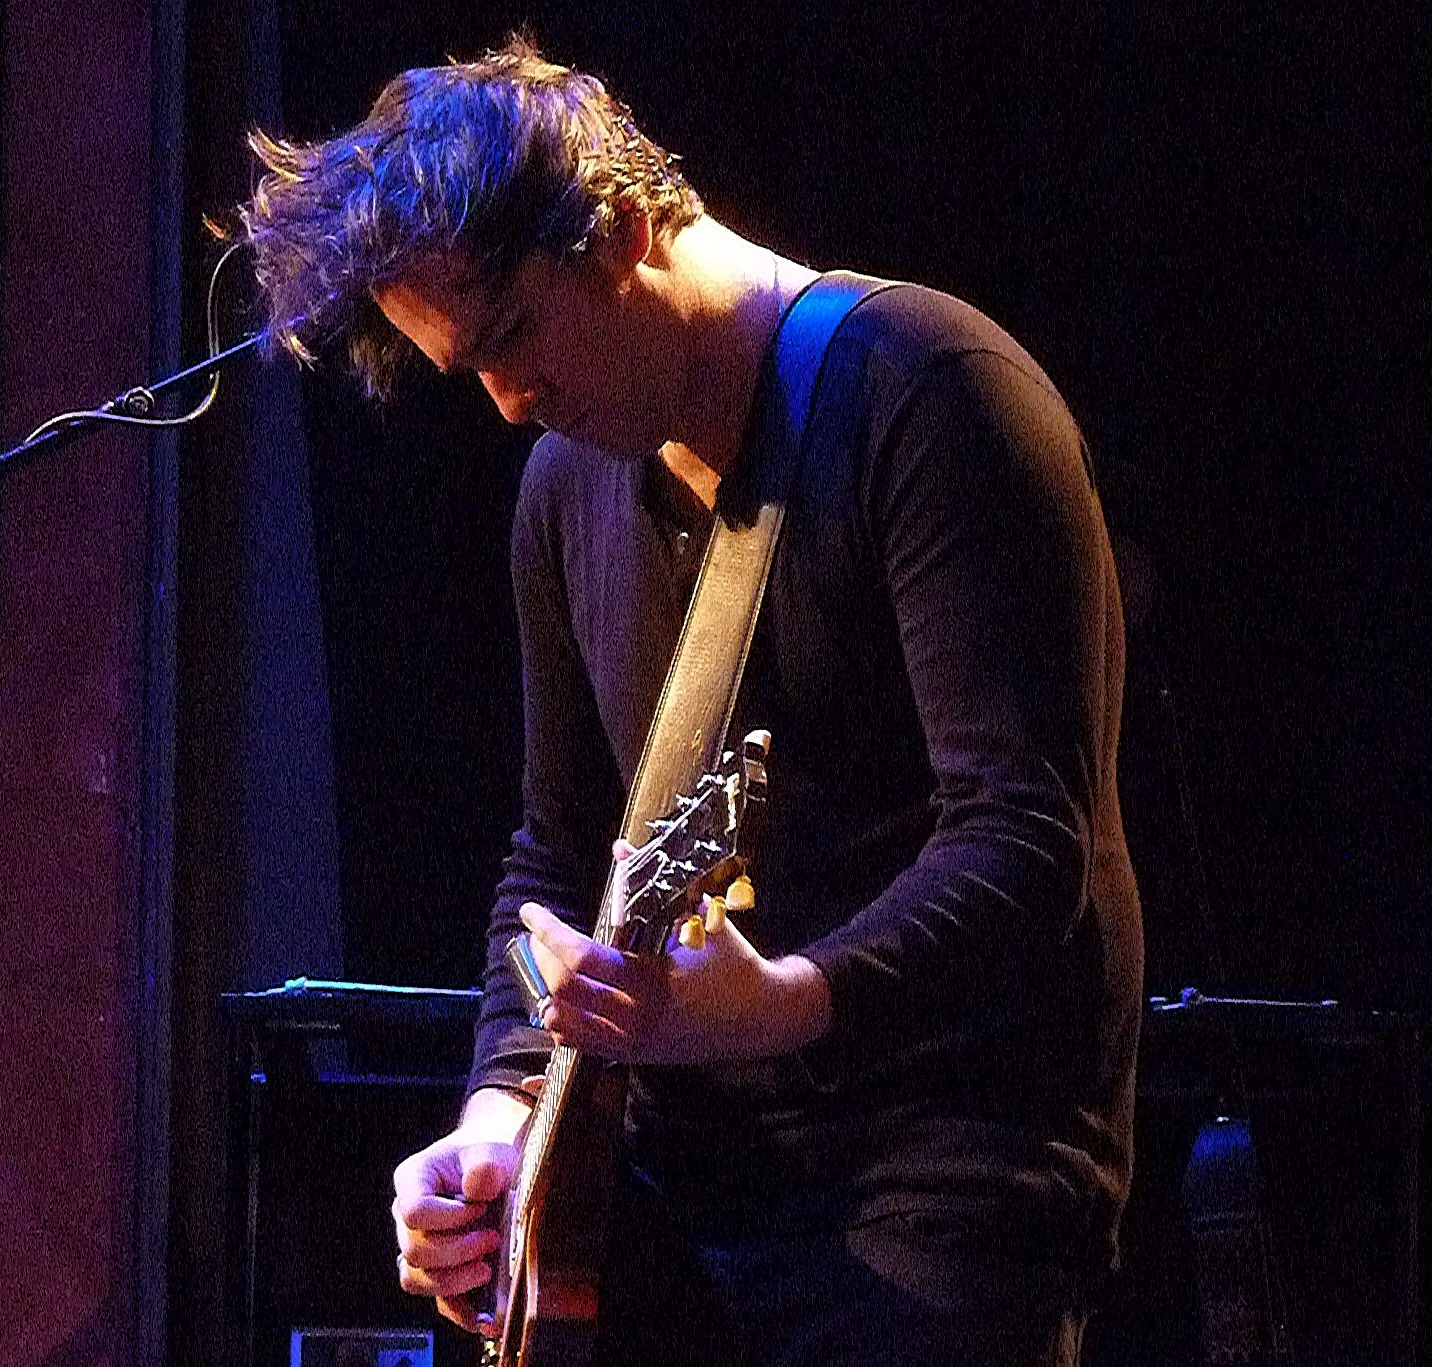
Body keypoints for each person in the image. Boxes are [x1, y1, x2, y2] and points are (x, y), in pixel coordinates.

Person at [243, 38, 1142, 1367]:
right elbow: (559, 853)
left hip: (945, 1179)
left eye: (511, 338)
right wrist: (499, 1117)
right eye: (467, 372)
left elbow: (1026, 839)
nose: (508, 403)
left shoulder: (933, 393)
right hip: (679, 1198)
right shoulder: (566, 485)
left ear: (617, 232)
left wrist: (784, 1000)